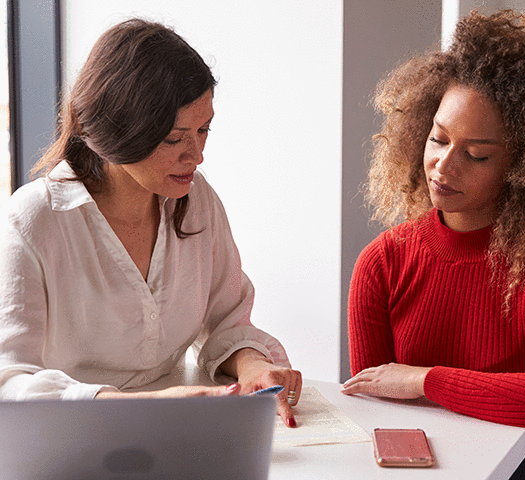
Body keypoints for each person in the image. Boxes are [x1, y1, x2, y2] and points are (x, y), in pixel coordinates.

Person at [341, 10, 525, 479]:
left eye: (477, 154)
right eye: (437, 139)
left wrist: (424, 379)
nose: (443, 166)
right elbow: (379, 409)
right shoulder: (383, 262)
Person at [0, 18, 301, 427]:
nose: (196, 155)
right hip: (71, 436)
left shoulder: (197, 201)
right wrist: (140, 406)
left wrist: (251, 366)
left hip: (181, 428)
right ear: (119, 130)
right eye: (175, 138)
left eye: (204, 129)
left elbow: (227, 318)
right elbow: (9, 379)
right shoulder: (34, 220)